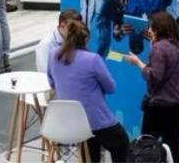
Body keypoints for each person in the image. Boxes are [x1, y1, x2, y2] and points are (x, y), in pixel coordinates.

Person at [47, 20, 131, 163]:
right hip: (95, 121)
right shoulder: (92, 59)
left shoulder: (53, 54)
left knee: (90, 142)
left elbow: (51, 82)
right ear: (86, 39)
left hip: (70, 121)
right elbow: (111, 88)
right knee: (121, 142)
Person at [125, 11, 179, 163]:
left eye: (151, 27)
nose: (149, 30)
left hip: (160, 105)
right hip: (178, 104)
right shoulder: (177, 47)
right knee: (172, 144)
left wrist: (138, 62)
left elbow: (154, 77)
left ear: (158, 29)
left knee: (147, 145)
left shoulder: (158, 49)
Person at [36, 8, 82, 74]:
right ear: (62, 26)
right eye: (73, 29)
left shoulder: (73, 38)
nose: (76, 32)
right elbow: (46, 73)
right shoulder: (45, 45)